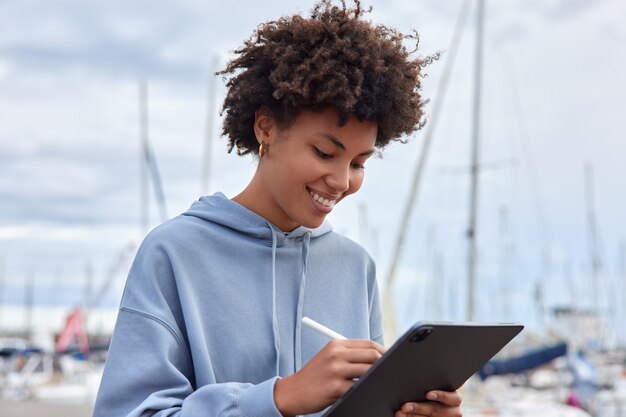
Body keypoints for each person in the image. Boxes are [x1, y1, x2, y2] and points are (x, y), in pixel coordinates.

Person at [93, 1, 463, 416]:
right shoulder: (174, 253)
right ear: (265, 126)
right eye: (325, 152)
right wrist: (278, 398)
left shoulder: (355, 267)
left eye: (359, 163)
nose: (343, 182)